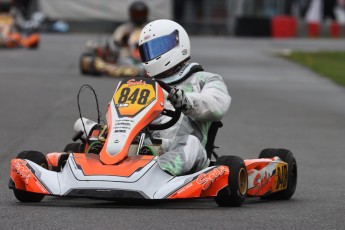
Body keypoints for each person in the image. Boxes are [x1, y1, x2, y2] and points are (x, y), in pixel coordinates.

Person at [138, 19, 231, 176]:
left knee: (190, 143)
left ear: (178, 43)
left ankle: (157, 174)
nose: (154, 54)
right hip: (148, 146)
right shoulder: (144, 86)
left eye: (159, 47)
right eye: (149, 50)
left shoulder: (205, 79)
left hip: (188, 151)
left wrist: (187, 101)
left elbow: (217, 106)